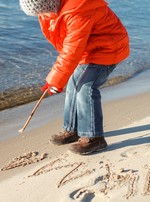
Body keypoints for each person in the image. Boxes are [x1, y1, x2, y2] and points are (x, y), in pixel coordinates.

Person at [19, 0, 129, 155]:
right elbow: (69, 45)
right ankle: (73, 129)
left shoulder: (78, 10)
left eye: (42, 12)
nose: (41, 17)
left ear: (50, 5)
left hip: (108, 48)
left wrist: (55, 80)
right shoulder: (57, 10)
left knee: (85, 87)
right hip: (90, 49)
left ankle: (94, 137)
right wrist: (58, 78)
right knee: (73, 86)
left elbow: (72, 49)